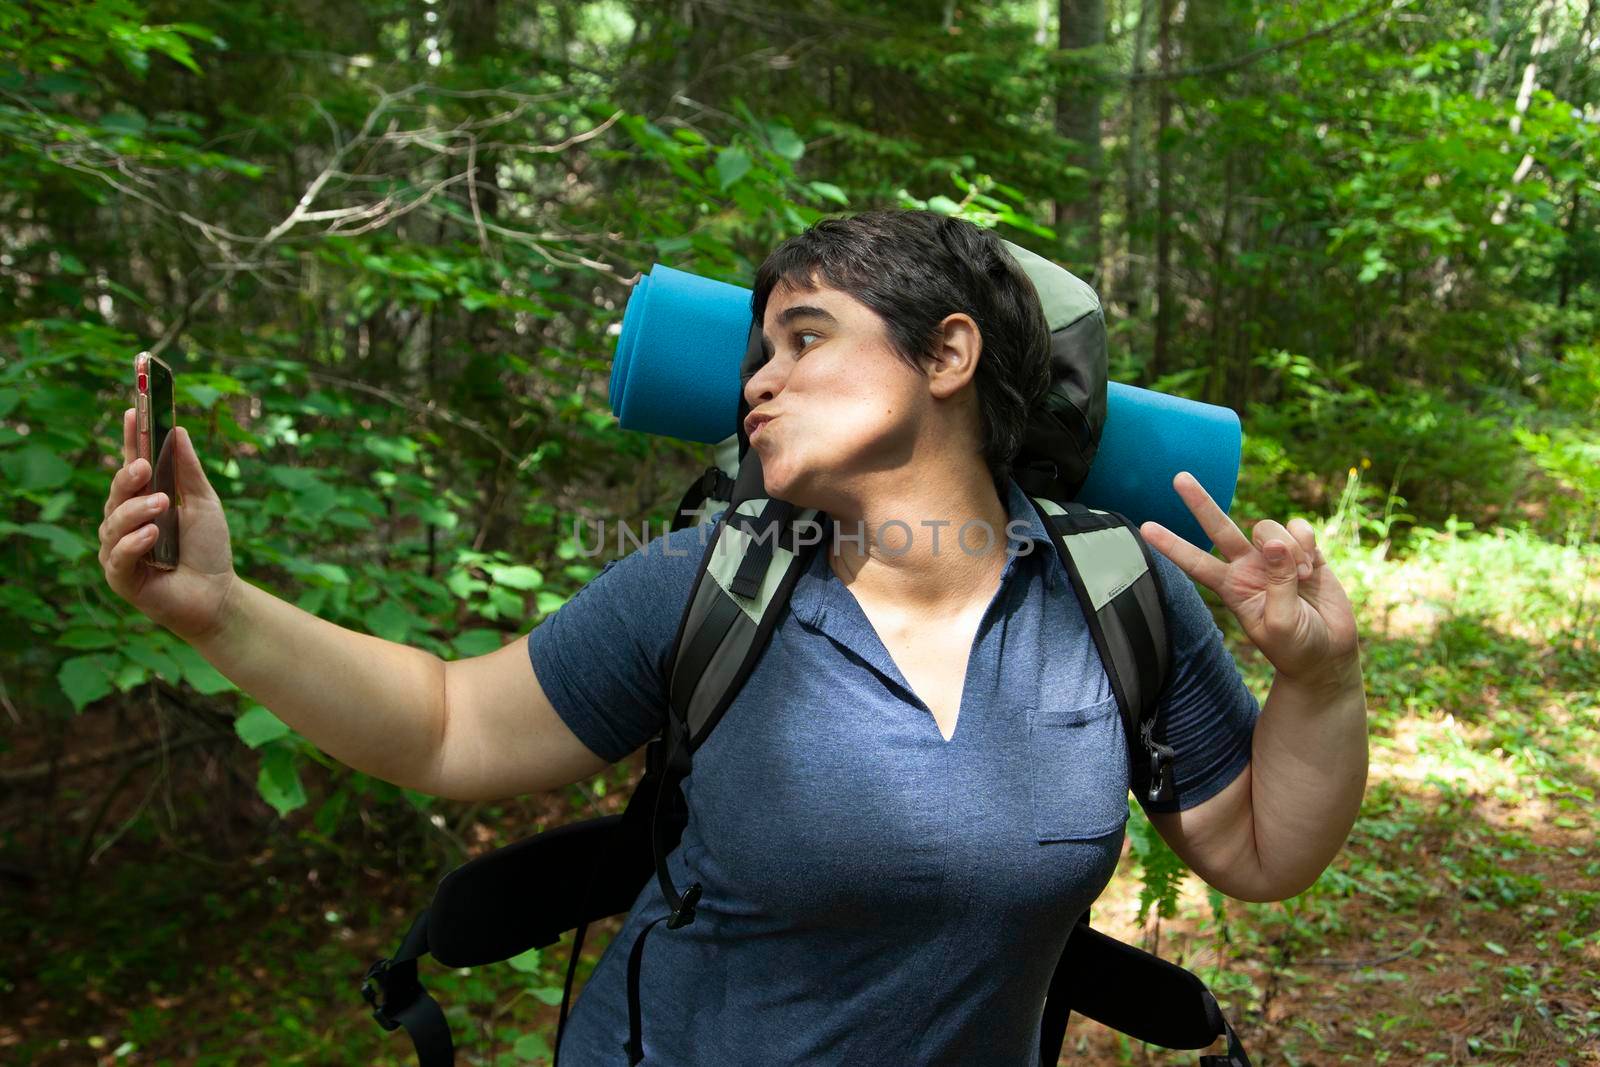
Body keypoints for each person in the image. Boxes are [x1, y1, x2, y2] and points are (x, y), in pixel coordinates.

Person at [99, 210, 1367, 1065]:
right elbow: (444, 722)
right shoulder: (713, 580)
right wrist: (218, 606)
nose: (758, 377)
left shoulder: (1112, 595)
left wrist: (1319, 680)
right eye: (756, 349)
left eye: (806, 337)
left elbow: (1262, 851)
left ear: (949, 353)